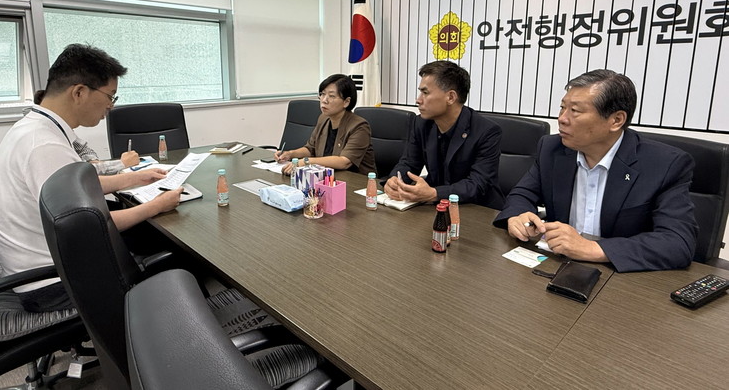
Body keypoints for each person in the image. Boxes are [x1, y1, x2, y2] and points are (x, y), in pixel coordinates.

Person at [0, 44, 182, 312]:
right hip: (52, 283)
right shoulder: (44, 145)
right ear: (79, 92)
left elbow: (77, 188)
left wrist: (135, 179)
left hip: (41, 262)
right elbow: (92, 225)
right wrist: (156, 205)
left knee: (146, 236)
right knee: (176, 257)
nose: (111, 106)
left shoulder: (36, 128)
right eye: (110, 96)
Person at [493, 69, 698, 272]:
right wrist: (517, 216)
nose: (562, 118)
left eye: (575, 111)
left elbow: (677, 242)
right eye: (562, 108)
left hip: (622, 277)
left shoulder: (664, 164)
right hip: (558, 266)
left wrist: (592, 248)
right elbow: (522, 193)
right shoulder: (552, 149)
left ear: (616, 120)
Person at [383, 61, 505, 209]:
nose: (418, 100)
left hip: (477, 208)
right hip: (437, 206)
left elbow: (478, 184)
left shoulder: (487, 131)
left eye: (425, 93)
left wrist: (434, 193)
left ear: (451, 97)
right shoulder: (420, 123)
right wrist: (395, 180)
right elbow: (409, 163)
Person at [277, 73, 376, 175]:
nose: (324, 100)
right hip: (327, 176)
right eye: (323, 94)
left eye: (331, 96)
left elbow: (344, 162)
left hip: (355, 180)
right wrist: (290, 154)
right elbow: (311, 149)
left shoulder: (359, 126)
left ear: (346, 102)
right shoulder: (323, 118)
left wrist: (306, 161)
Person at [34, 89, 138, 174]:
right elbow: (79, 175)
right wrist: (122, 164)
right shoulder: (45, 140)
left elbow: (83, 149)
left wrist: (93, 162)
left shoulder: (60, 127)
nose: (110, 106)